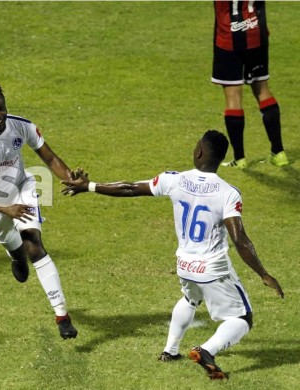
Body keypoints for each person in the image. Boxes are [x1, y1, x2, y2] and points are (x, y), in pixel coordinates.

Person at [62, 130, 283, 378]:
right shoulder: (228, 192)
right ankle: (207, 351)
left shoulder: (174, 179)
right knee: (243, 318)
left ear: (199, 152)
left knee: (190, 299)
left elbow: (130, 188)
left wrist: (90, 186)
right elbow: (239, 238)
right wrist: (263, 273)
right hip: (212, 269)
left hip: (185, 265)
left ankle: (170, 350)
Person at [0, 81, 77, 339]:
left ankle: (62, 316)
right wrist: (6, 209)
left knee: (34, 243)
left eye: (0, 108)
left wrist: (70, 178)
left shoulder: (21, 125)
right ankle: (15, 255)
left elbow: (50, 157)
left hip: (22, 188)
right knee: (16, 246)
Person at [212, 0, 288, 169]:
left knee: (233, 96)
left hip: (228, 36)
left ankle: (240, 159)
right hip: (257, 34)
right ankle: (279, 152)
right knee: (262, 89)